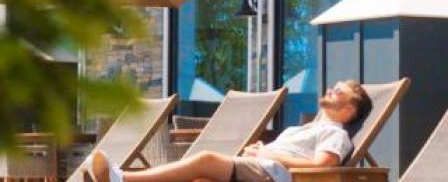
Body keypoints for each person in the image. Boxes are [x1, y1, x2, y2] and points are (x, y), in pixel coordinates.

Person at [85, 80, 372, 182]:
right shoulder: (309, 127)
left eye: (338, 92)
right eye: (333, 88)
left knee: (205, 160)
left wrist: (268, 152)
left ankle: (121, 177)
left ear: (349, 110)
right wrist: (260, 151)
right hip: (264, 167)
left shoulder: (337, 133)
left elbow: (321, 167)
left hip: (275, 175)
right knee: (199, 178)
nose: (330, 91)